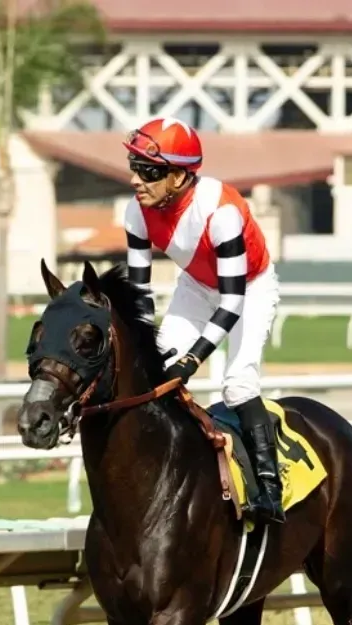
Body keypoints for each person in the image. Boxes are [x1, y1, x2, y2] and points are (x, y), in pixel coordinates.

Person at [122, 117, 284, 524]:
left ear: (178, 177)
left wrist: (192, 359)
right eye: (134, 165)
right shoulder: (137, 211)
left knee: (238, 383)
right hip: (195, 285)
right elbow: (139, 293)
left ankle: (269, 488)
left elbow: (232, 301)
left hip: (249, 287)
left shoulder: (221, 213)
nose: (136, 180)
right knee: (158, 377)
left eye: (148, 171)